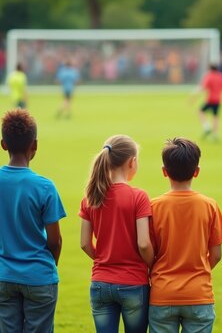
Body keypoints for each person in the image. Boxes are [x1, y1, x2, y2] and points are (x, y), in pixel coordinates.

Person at [0, 109, 65, 333]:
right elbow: (55, 241)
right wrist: (45, 265)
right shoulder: (45, 186)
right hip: (39, 275)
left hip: (4, 274)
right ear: (34, 145)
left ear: (3, 144)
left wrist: (4, 257)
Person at [149, 137, 222, 332]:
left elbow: (147, 250)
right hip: (199, 293)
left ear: (164, 171)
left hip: (162, 293)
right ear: (197, 171)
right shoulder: (209, 205)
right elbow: (217, 254)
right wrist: (198, 273)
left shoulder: (153, 207)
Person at [79, 134, 153, 333]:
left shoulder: (90, 197)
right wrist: (153, 266)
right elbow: (144, 243)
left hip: (100, 283)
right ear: (132, 162)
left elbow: (85, 243)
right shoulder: (138, 197)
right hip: (133, 284)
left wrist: (104, 259)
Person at [191, 64, 222, 140]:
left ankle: (206, 127)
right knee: (215, 117)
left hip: (210, 99)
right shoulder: (221, 76)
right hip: (218, 100)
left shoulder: (209, 76)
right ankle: (215, 134)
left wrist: (194, 97)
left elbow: (203, 87)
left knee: (200, 111)